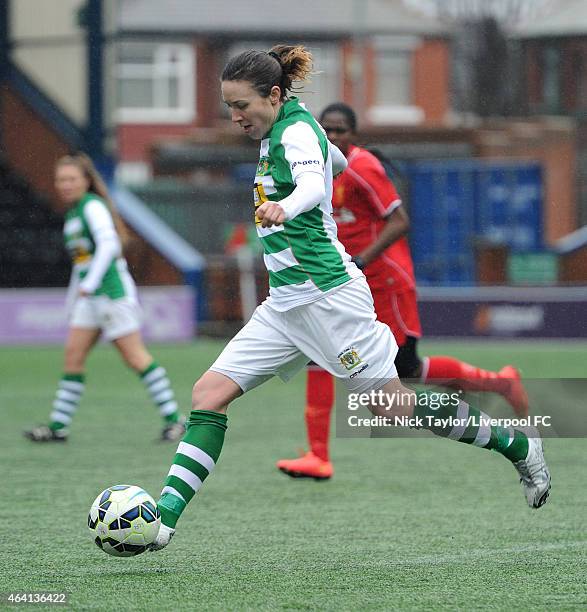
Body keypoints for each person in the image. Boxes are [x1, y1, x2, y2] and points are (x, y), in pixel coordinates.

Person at [149, 45, 550, 551]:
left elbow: (315, 184)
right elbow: (334, 161)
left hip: (330, 299)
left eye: (242, 106)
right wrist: (321, 162)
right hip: (285, 308)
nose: (234, 117)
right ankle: (162, 522)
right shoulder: (288, 129)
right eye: (229, 106)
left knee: (393, 409)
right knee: (208, 396)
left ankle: (518, 444)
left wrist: (286, 207)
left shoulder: (294, 131)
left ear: (273, 96)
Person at [277, 102, 530, 480]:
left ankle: (501, 383)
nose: (331, 137)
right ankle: (318, 456)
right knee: (320, 356)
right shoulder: (314, 169)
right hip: (346, 286)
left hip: (386, 281)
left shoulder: (362, 168)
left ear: (354, 135)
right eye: (325, 131)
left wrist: (361, 260)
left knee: (405, 369)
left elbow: (399, 221)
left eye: (339, 130)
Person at [24, 153, 185, 443]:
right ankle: (58, 427)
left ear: (86, 181)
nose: (65, 185)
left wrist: (92, 285)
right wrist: (74, 299)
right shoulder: (73, 214)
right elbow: (81, 264)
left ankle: (175, 420)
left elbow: (110, 244)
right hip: (91, 298)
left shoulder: (92, 206)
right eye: (61, 180)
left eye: (72, 179)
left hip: (111, 293)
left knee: (135, 358)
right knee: (73, 358)